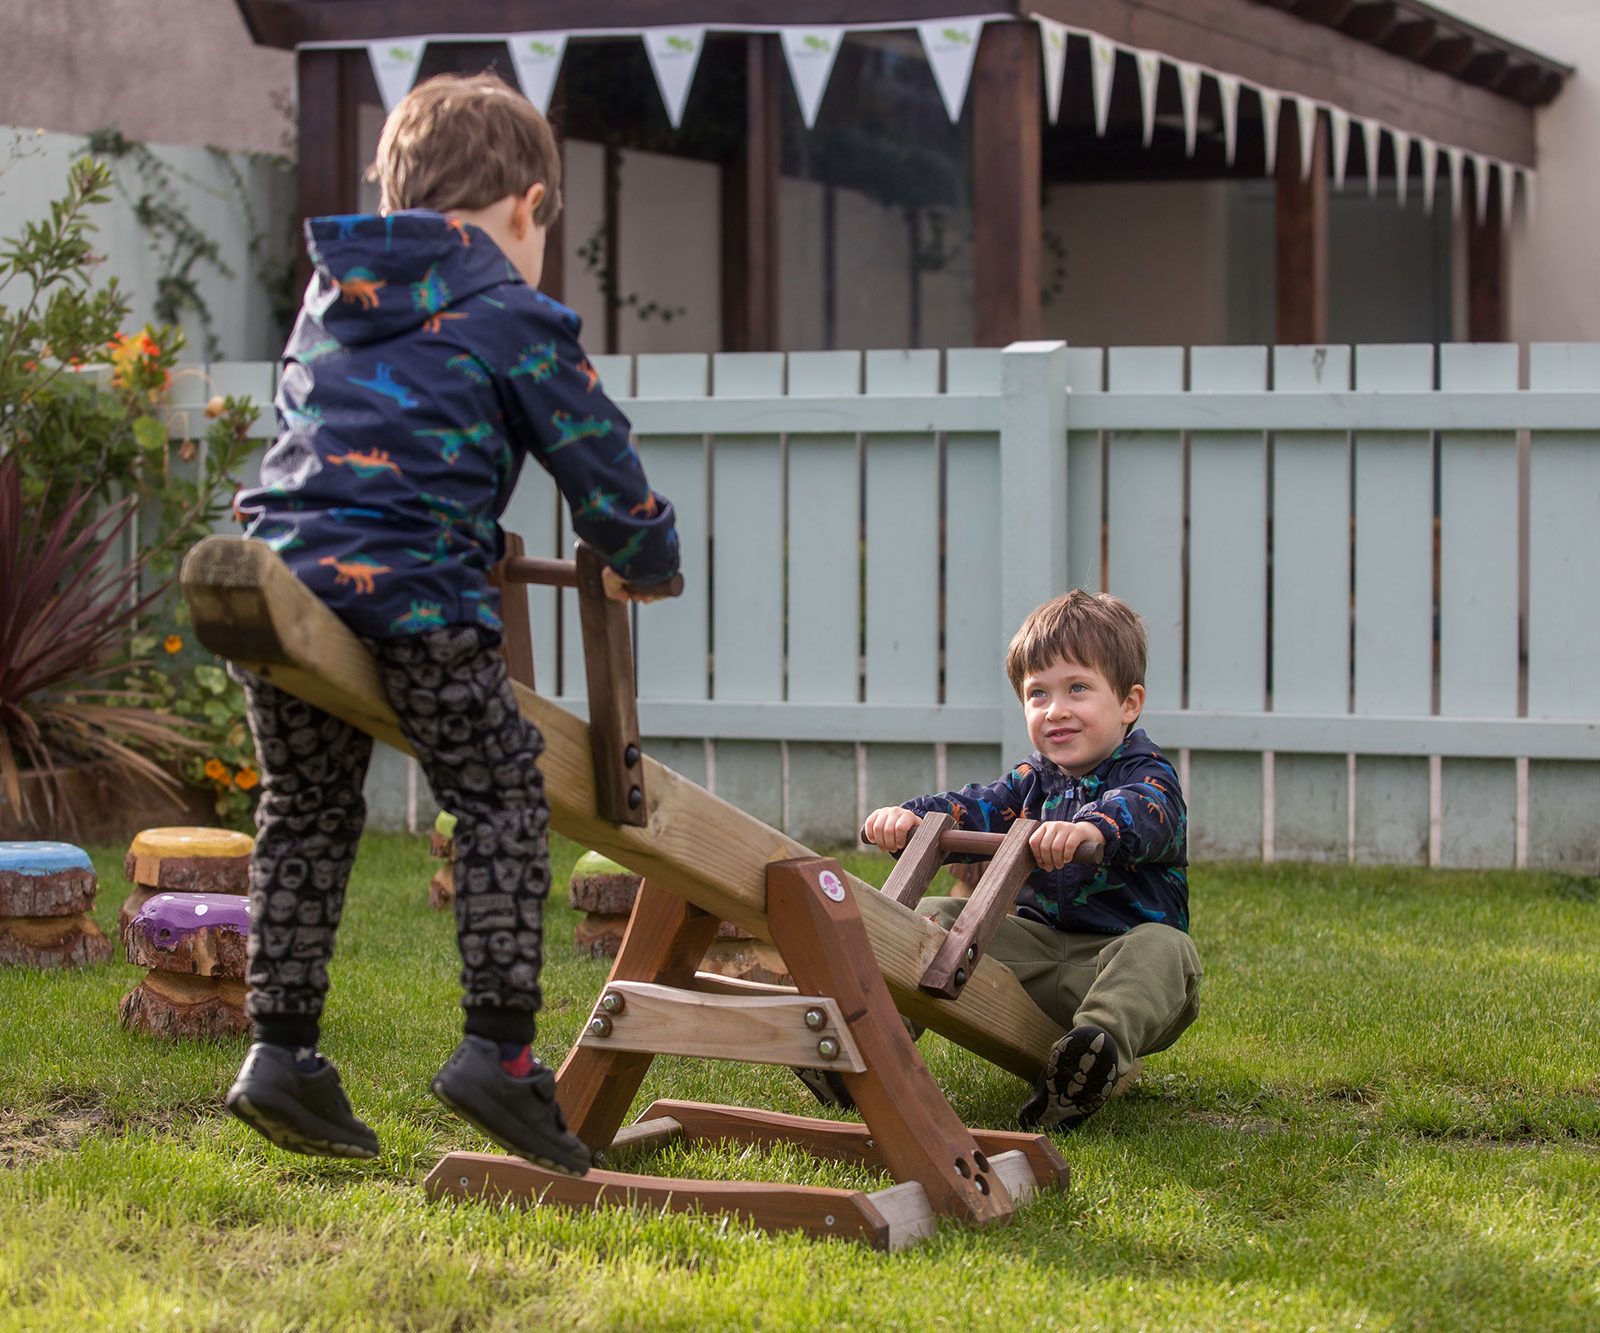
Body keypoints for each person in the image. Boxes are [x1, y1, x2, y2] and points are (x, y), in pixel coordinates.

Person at [223, 73, 680, 1175]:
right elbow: (602, 468)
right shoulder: (507, 309)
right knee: (499, 796)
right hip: (417, 593)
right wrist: (643, 564)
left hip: (287, 592)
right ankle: (500, 1052)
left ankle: (279, 1051)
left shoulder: (329, 296)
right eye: (545, 232)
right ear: (526, 208)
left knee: (307, 808)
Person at [852, 590, 1201, 1131]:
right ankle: (869, 1047)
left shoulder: (1149, 777)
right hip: (1034, 955)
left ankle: (1091, 1054)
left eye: (1078, 688)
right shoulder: (1031, 781)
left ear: (1129, 703)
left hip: (1114, 963)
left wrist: (1090, 828)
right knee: (940, 917)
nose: (1056, 709)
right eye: (1038, 694)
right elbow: (975, 806)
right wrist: (913, 818)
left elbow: (1144, 814)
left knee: (1167, 949)